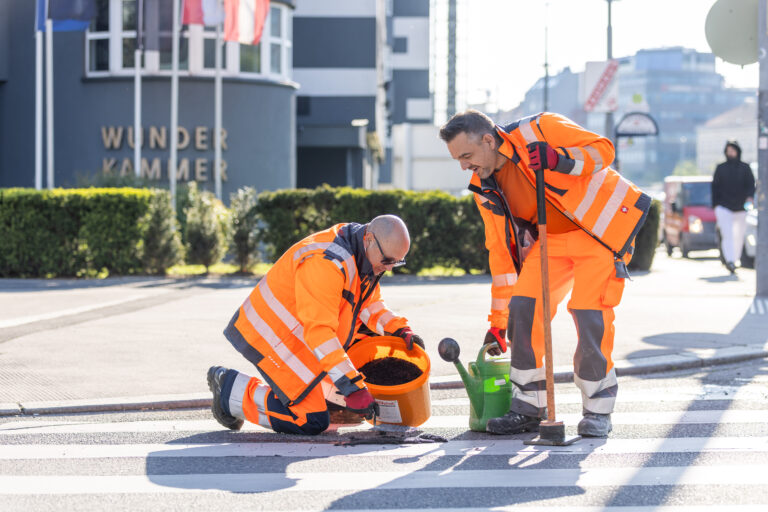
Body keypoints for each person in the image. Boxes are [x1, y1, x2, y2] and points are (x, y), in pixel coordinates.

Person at [439, 110, 651, 438]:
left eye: (466, 156)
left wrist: (559, 158)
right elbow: (500, 255)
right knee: (523, 310)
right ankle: (528, 406)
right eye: (458, 160)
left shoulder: (541, 128)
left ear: (487, 140)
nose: (464, 166)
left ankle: (597, 410)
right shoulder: (485, 186)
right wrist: (498, 324)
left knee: (588, 313)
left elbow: (603, 151)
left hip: (600, 234)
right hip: (551, 240)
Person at [207, 215, 424, 435]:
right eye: (387, 260)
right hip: (277, 339)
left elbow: (369, 305)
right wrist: (352, 387)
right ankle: (231, 391)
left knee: (374, 343)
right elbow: (320, 332)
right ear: (368, 238)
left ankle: (330, 397)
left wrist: (398, 328)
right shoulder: (326, 263)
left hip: (304, 336)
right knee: (310, 420)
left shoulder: (362, 255)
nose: (388, 268)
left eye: (396, 262)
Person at [712, 140, 755, 274]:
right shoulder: (720, 168)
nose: (730, 153)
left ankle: (734, 259)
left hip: (741, 207)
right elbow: (715, 188)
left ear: (738, 151)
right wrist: (716, 205)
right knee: (728, 235)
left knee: (739, 235)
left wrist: (749, 198)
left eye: (732, 150)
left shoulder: (745, 168)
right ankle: (730, 260)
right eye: (728, 150)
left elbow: (751, 185)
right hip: (724, 207)